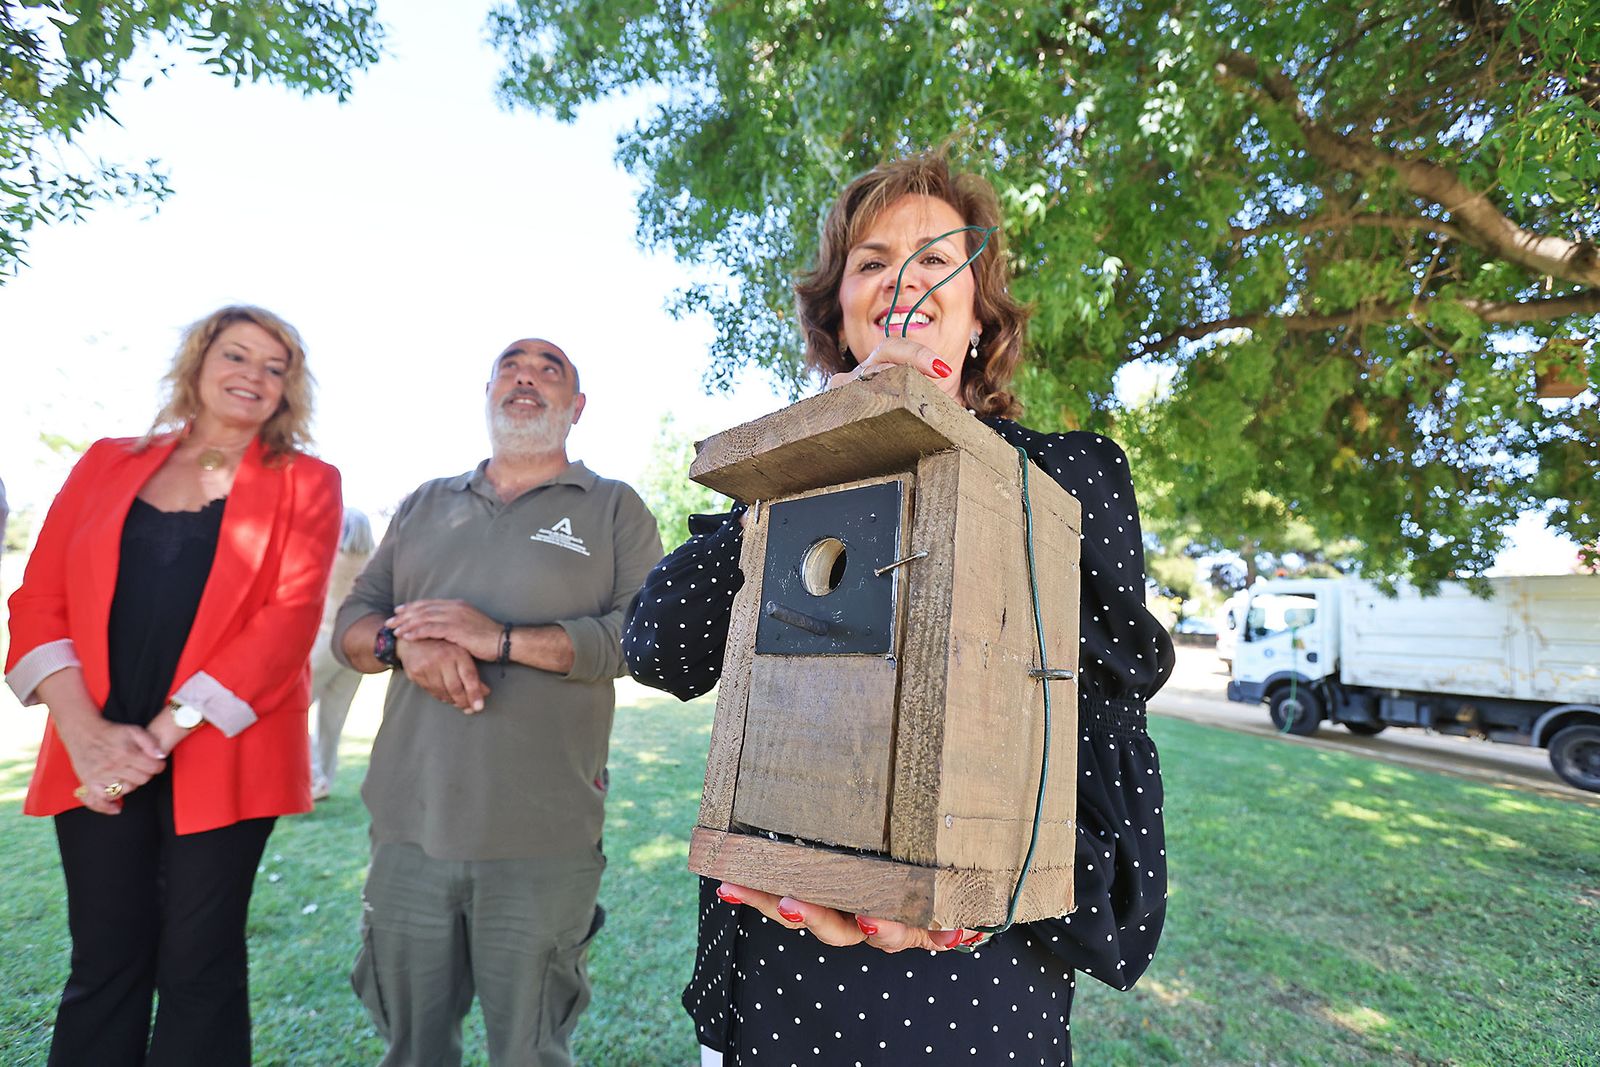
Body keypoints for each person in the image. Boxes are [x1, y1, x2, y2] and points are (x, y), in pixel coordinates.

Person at [623, 153, 1175, 1066]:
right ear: (838, 316)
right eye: (872, 262)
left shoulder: (1069, 477)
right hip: (776, 979)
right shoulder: (779, 486)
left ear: (979, 312)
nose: (905, 280)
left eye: (935, 261)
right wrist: (810, 452)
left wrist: (969, 896)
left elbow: (1107, 741)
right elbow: (658, 646)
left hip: (968, 998)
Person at [4, 305, 342, 1066]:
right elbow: (37, 601)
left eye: (274, 366)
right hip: (91, 746)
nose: (252, 375)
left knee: (201, 963)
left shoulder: (309, 482)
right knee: (104, 957)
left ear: (289, 391)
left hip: (224, 745)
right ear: (196, 364)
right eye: (236, 355)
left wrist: (156, 737)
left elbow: (286, 624)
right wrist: (90, 737)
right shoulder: (104, 460)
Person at [331, 338, 663, 1067]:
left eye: (552, 371)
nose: (528, 377)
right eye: (512, 366)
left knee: (530, 1052)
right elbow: (352, 624)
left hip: (542, 837)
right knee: (412, 1049)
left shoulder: (612, 508)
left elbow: (642, 641)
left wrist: (498, 638)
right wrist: (403, 646)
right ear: (487, 393)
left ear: (577, 408)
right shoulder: (424, 503)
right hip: (408, 830)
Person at [308, 506, 376, 800]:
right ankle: (325, 778)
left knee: (297, 710)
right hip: (355, 645)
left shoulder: (327, 557)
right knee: (334, 719)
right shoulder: (373, 562)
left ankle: (313, 775)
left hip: (323, 640)